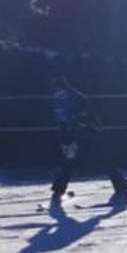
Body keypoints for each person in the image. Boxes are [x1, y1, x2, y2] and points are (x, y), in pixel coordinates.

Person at [48, 74, 92, 209]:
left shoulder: (58, 97)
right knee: (72, 160)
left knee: (69, 161)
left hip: (67, 131)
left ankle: (58, 189)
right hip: (73, 132)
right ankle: (58, 189)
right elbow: (84, 104)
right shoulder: (68, 95)